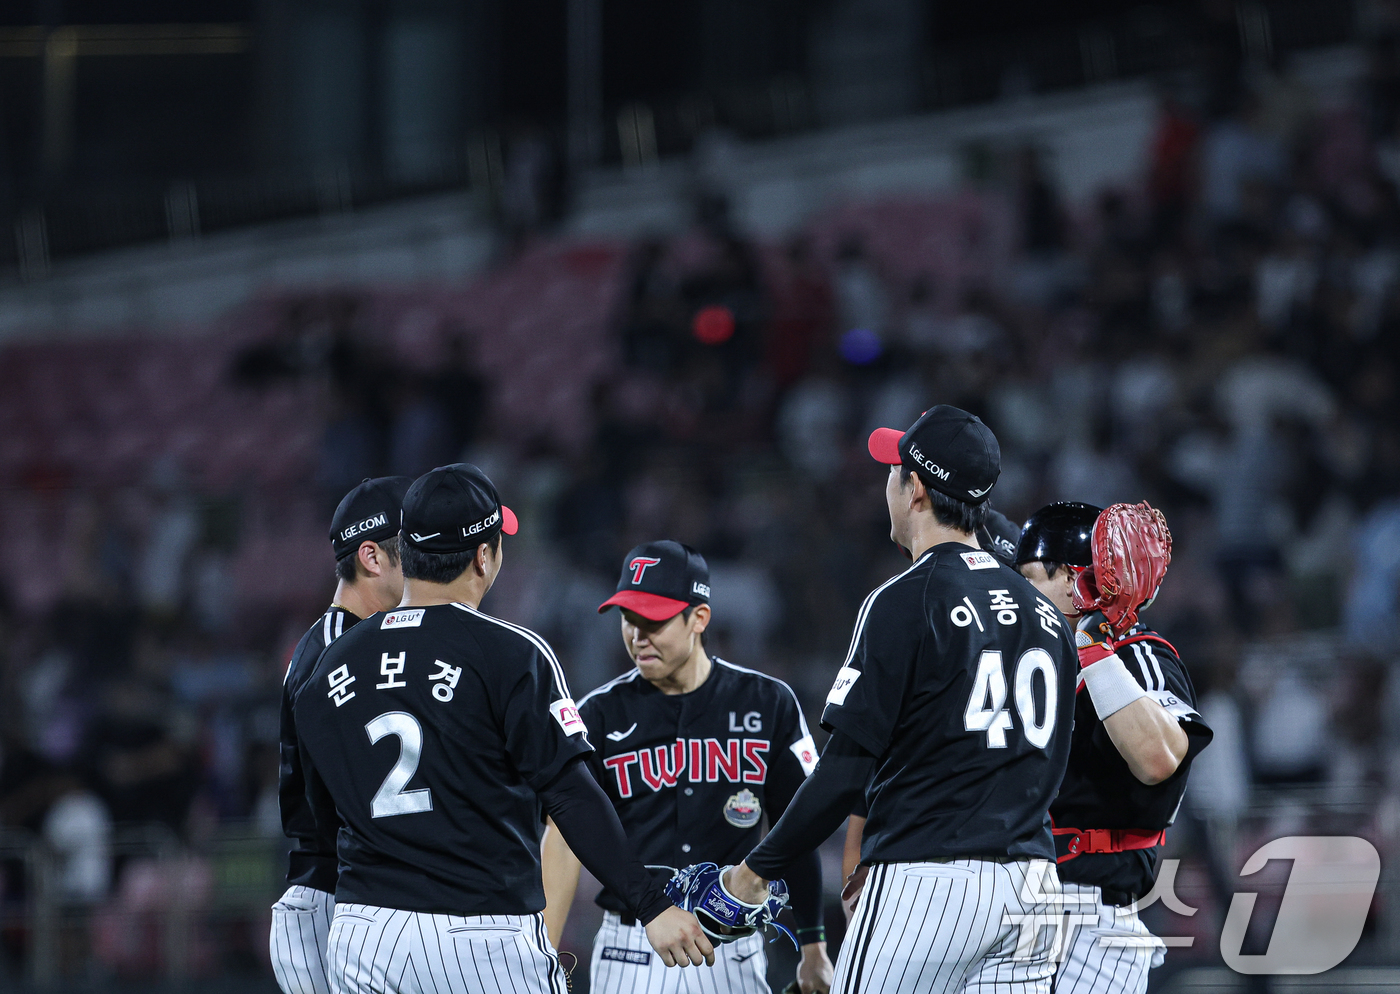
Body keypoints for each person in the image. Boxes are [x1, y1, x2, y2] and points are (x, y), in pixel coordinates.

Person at [292, 464, 713, 994]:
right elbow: (571, 795)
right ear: (483, 556)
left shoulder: (328, 665)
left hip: (364, 935)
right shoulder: (512, 653)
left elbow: (320, 815)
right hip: (479, 933)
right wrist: (651, 904)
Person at [720, 406, 1079, 994]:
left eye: (894, 471)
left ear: (915, 488)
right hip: (1035, 888)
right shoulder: (1046, 615)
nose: (886, 483)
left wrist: (755, 871)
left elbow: (842, 775)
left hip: (928, 882)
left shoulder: (907, 598)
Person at [540, 541, 834, 994]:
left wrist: (814, 945)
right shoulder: (597, 713)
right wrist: (543, 957)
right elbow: (562, 840)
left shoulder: (767, 702)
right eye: (628, 619)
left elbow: (798, 829)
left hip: (729, 948)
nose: (638, 636)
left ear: (699, 618)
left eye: (653, 620)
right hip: (630, 946)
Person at [1013, 501, 1213, 994]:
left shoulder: (1138, 654)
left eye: (1029, 577)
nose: (1017, 595)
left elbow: (1159, 759)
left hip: (1088, 916)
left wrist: (1094, 651)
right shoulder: (1031, 660)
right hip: (1012, 901)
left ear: (1075, 582)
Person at [271, 475, 412, 994]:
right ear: (372, 558)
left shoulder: (360, 640)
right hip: (333, 898)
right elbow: (346, 798)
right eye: (416, 549)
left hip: (356, 895)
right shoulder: (338, 650)